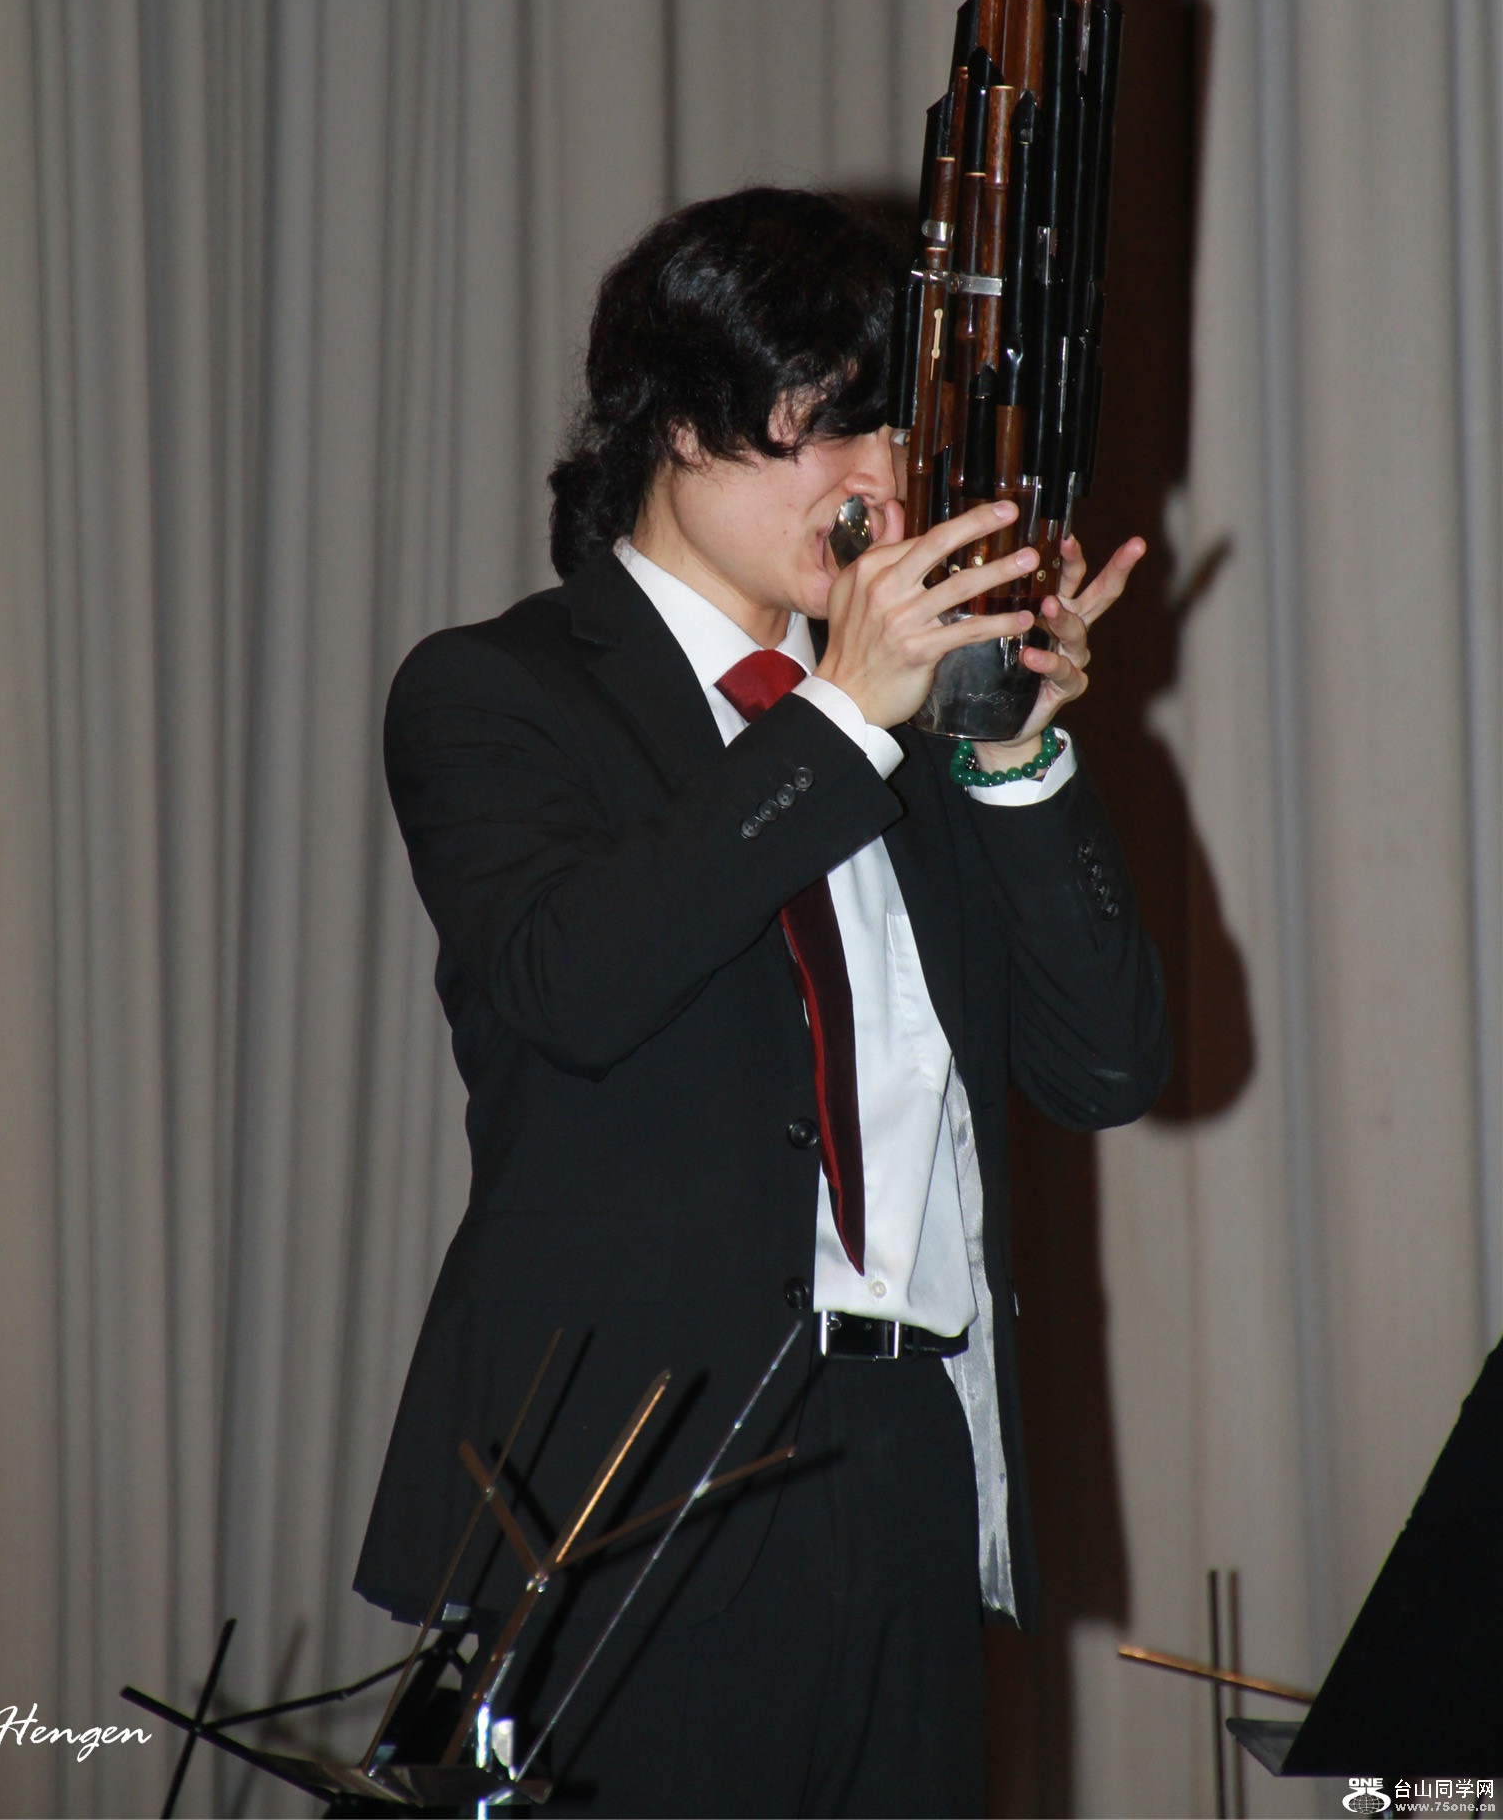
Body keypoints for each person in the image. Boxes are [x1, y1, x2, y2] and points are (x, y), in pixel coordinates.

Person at [354, 187, 1169, 1817]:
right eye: (831, 424)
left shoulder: (905, 722)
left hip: (912, 1451)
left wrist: (1010, 758)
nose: (880, 482)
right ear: (677, 417)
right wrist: (843, 717)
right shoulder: (499, 689)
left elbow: (1107, 1068)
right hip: (630, 1482)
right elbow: (573, 984)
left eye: (900, 434)